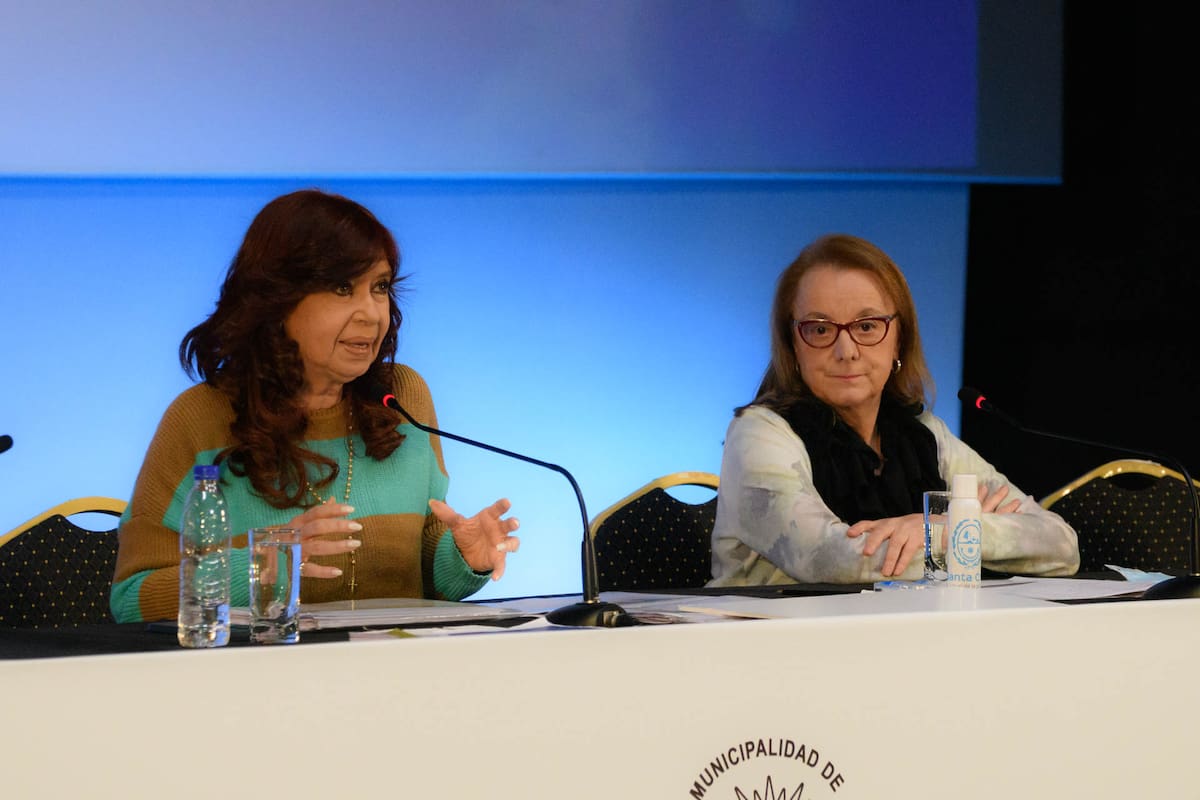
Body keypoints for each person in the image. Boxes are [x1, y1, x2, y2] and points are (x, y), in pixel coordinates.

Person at [111, 189, 520, 623]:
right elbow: (133, 599)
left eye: (379, 287)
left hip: (394, 678)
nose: (370, 314)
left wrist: (463, 556)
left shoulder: (402, 400)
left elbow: (415, 579)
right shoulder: (200, 418)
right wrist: (266, 564)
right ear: (277, 301)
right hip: (258, 681)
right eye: (343, 288)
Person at [709, 233, 1079, 586]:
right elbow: (831, 559)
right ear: (792, 345)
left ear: (899, 340)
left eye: (867, 326)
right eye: (820, 330)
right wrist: (969, 528)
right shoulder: (758, 434)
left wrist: (944, 529)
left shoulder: (922, 433)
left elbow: (1061, 544)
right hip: (771, 644)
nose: (846, 350)